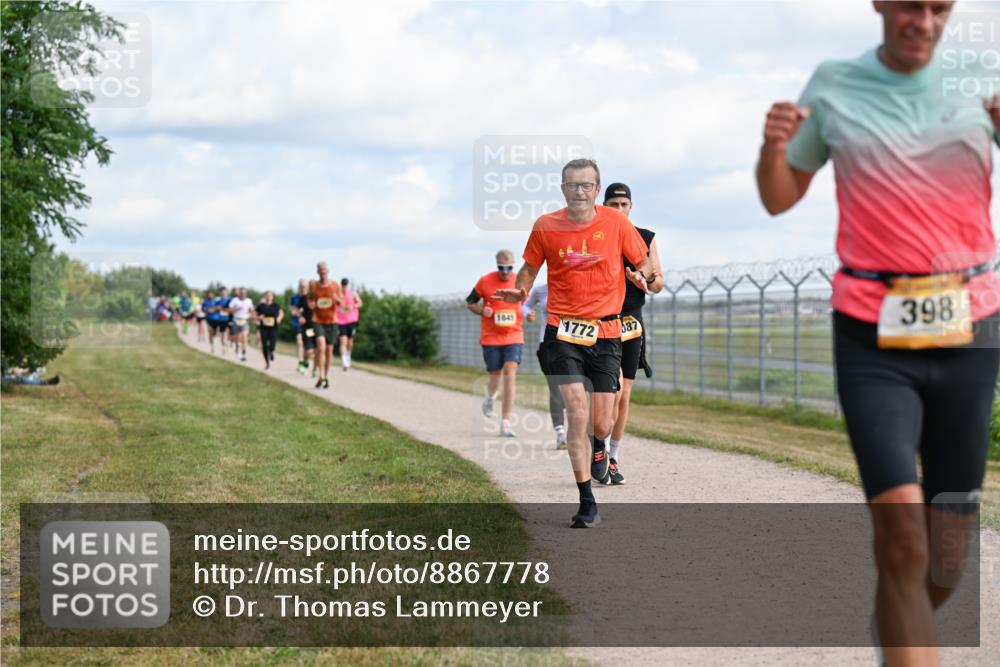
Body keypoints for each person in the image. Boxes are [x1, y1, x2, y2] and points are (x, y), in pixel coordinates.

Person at [756, 2, 1000, 663]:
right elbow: (779, 197)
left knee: (946, 560)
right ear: (881, 4)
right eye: (909, 5)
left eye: (939, 7)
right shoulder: (834, 83)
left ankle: (894, 617)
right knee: (902, 542)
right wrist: (772, 146)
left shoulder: (983, 76)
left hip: (970, 329)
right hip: (872, 332)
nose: (922, 20)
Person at [496, 158, 653, 527]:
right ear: (562, 188)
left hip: (607, 331)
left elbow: (643, 260)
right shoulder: (546, 226)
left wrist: (640, 273)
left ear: (597, 190)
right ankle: (586, 499)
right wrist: (519, 291)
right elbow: (530, 269)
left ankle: (601, 447)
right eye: (572, 185)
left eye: (586, 185)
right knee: (576, 413)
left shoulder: (615, 222)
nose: (579, 191)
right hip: (562, 330)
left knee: (602, 421)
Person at [603, 183, 664, 485]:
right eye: (612, 205)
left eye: (623, 205)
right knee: (608, 392)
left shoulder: (645, 238)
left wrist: (645, 278)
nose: (618, 210)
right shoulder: (597, 236)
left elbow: (658, 283)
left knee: (624, 394)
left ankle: (612, 457)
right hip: (603, 318)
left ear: (631, 207)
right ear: (603, 207)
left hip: (631, 319)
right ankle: (598, 450)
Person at [467, 250, 524, 437]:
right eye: (502, 267)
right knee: (495, 377)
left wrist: (530, 313)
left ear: (513, 265)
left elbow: (529, 302)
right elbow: (470, 302)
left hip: (514, 336)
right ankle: (490, 397)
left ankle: (506, 422)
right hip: (491, 337)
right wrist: (482, 311)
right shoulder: (485, 281)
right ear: (497, 264)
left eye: (509, 267)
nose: (505, 272)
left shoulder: (519, 281)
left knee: (510, 373)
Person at [522, 283, 568, 449]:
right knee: (556, 387)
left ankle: (581, 431)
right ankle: (561, 433)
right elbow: (525, 305)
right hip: (547, 345)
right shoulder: (541, 289)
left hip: (572, 345)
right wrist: (528, 313)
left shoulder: (575, 284)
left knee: (573, 389)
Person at [309, 261, 343, 389]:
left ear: (328, 271)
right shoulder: (313, 286)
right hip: (317, 320)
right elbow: (310, 301)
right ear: (317, 271)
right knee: (321, 346)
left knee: (329, 351)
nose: (323, 271)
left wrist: (336, 299)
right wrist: (312, 304)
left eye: (325, 269)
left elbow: (342, 303)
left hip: (332, 321)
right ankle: (321, 375)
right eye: (320, 269)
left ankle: (325, 377)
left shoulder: (335, 286)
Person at [336, 278, 364, 371]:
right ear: (341, 285)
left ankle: (348, 355)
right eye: (343, 285)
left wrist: (352, 306)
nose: (344, 286)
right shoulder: (338, 295)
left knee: (350, 342)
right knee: (343, 341)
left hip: (351, 321)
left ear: (348, 285)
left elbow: (360, 303)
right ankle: (344, 362)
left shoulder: (353, 293)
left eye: (346, 285)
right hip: (340, 321)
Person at [255, 291, 284, 370]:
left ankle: (271, 351)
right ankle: (267, 363)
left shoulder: (275, 305)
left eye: (270, 295)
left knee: (272, 344)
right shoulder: (261, 306)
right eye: (267, 295)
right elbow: (253, 314)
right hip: (264, 328)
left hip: (273, 327)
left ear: (272, 297)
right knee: (264, 345)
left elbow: (281, 313)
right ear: (265, 297)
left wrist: (279, 318)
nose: (268, 297)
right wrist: (258, 317)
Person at [227, 288, 255, 362]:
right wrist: (236, 308)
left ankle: (244, 353)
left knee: (244, 336)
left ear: (246, 294)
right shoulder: (234, 300)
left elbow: (252, 310)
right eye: (241, 293)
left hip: (245, 320)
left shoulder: (249, 301)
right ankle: (237, 349)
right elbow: (229, 310)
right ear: (239, 294)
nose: (243, 295)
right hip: (236, 320)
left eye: (244, 293)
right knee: (237, 337)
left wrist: (253, 315)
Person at [290, 279, 310, 374]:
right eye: (301, 286)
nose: (303, 288)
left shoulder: (310, 298)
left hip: (309, 326)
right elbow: (293, 310)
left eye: (305, 286)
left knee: (309, 347)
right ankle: (300, 362)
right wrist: (298, 313)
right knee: (299, 341)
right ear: (299, 287)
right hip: (299, 324)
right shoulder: (295, 297)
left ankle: (306, 361)